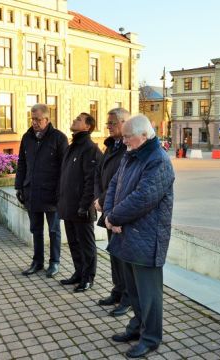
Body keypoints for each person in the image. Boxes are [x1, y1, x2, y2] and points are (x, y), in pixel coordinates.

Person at [103, 114, 174, 358]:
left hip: (147, 238)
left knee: (149, 295)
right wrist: (110, 215)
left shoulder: (158, 160)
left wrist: (114, 218)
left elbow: (143, 198)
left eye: (127, 136)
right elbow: (115, 184)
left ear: (144, 135)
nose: (123, 142)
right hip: (125, 234)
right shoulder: (131, 154)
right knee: (133, 291)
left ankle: (151, 338)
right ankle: (136, 327)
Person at [15, 104, 68, 278]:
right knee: (35, 229)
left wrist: (60, 192)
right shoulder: (27, 137)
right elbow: (22, 163)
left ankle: (54, 262)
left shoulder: (59, 138)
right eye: (32, 118)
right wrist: (19, 186)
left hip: (52, 193)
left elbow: (64, 168)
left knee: (54, 230)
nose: (35, 122)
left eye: (38, 119)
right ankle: (37, 262)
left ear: (47, 119)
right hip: (32, 191)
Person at [58, 113, 102, 292]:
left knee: (86, 245)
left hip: (82, 208)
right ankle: (78, 272)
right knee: (73, 243)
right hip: (68, 205)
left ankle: (88, 277)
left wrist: (85, 206)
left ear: (87, 127)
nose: (74, 120)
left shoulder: (90, 149)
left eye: (78, 119)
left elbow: (91, 181)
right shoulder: (71, 147)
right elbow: (64, 177)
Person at [94, 108, 131, 317]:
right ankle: (117, 291)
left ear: (125, 123)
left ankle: (127, 297)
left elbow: (121, 180)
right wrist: (97, 196)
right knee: (114, 253)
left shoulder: (128, 148)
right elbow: (100, 174)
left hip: (119, 210)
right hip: (107, 208)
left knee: (123, 257)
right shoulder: (111, 146)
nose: (108, 126)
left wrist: (101, 198)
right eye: (108, 123)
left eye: (112, 123)